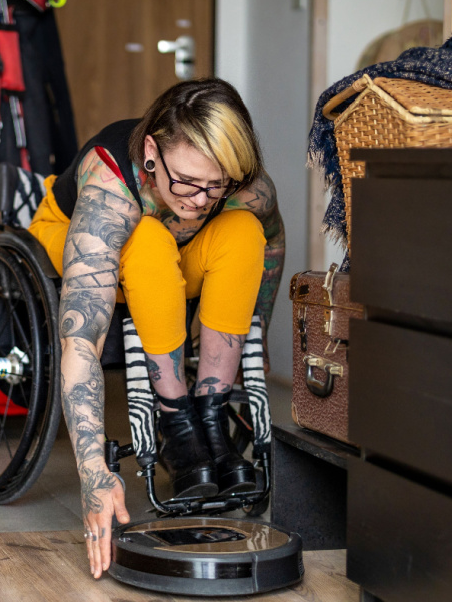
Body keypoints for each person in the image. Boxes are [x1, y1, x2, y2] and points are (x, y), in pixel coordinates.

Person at [28, 78, 285, 578]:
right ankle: (174, 416)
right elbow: (81, 338)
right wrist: (93, 475)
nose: (199, 199)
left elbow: (270, 245)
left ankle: (209, 416)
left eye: (217, 186)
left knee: (242, 230)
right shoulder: (110, 188)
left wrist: (263, 340)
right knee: (144, 239)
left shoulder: (240, 188)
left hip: (176, 249)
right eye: (187, 181)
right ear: (151, 152)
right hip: (78, 238)